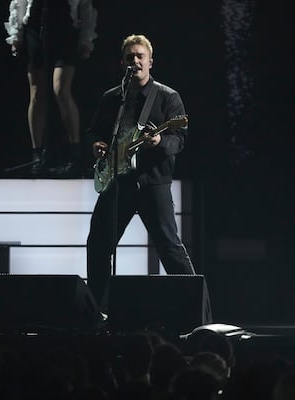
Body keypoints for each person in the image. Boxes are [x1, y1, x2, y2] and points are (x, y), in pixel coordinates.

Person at [86, 34, 195, 313]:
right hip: (117, 183)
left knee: (170, 248)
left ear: (150, 61)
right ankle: (97, 309)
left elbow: (180, 139)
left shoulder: (167, 97)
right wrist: (97, 145)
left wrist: (159, 142)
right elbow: (96, 132)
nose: (135, 61)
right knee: (98, 245)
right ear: (122, 63)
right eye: (130, 57)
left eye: (140, 56)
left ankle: (193, 309)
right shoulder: (112, 98)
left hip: (152, 183)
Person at [5, 0, 98, 176]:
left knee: (61, 89)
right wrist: (16, 36)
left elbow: (85, 6)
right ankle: (37, 153)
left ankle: (75, 153)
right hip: (36, 26)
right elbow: (20, 2)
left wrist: (86, 39)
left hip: (64, 27)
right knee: (37, 92)